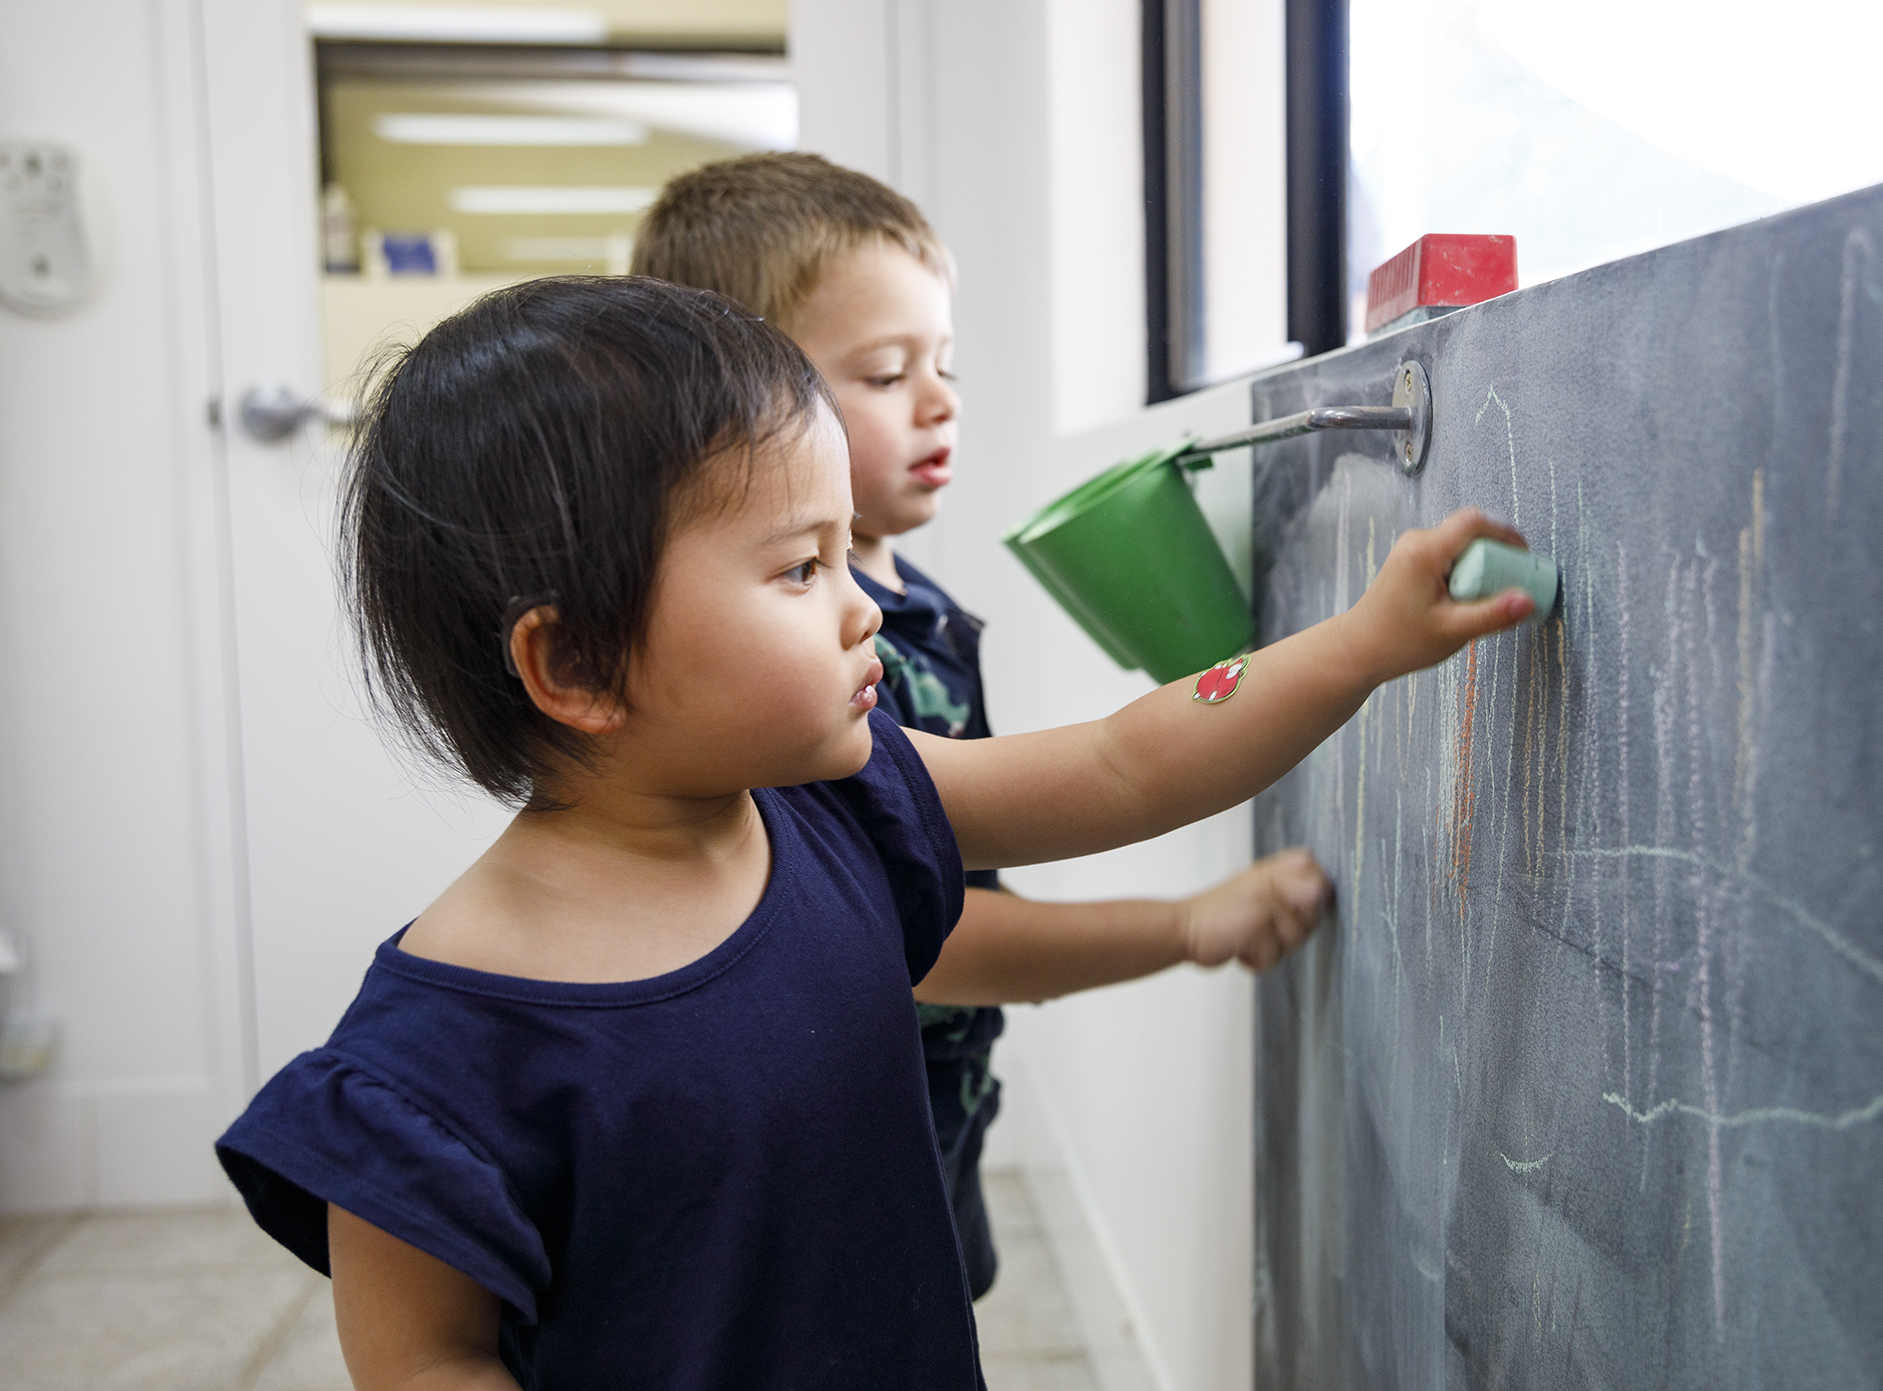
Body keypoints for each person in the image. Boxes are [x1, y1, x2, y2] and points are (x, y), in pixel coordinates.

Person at [214, 277, 1533, 1390]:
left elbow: (1127, 762)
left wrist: (1361, 645)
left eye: (850, 555)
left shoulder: (843, 805)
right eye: (797, 568)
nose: (861, 609)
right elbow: (426, 1362)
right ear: (574, 664)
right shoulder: (431, 1068)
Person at [632, 154, 1331, 1296]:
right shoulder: (799, 673)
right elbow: (931, 947)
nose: (941, 397)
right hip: (838, 1146)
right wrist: (1188, 922)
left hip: (931, 1105)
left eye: (944, 363)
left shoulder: (900, 600)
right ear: (725, 401)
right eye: (885, 370)